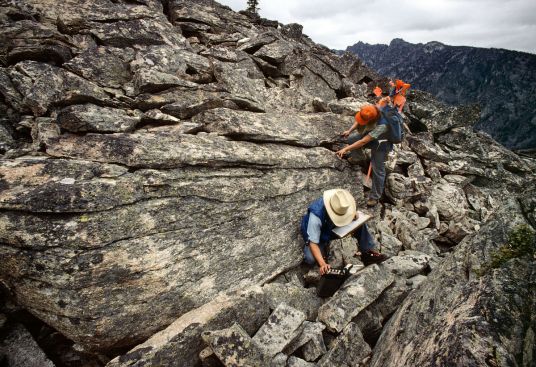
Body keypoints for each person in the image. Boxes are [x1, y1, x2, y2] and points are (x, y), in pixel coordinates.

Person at [300, 189, 387, 274]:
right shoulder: (316, 217)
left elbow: (354, 214)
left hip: (332, 227)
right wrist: (323, 264)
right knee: (310, 259)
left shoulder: (341, 202)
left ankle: (367, 251)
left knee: (359, 223)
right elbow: (313, 243)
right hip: (320, 233)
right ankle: (324, 249)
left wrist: (353, 215)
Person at [337, 102, 393, 206]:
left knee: (378, 169)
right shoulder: (371, 109)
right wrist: (349, 130)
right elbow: (359, 121)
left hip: (383, 143)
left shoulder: (383, 125)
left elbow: (363, 141)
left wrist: (346, 149)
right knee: (351, 139)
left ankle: (375, 197)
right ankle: (359, 157)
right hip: (372, 133)